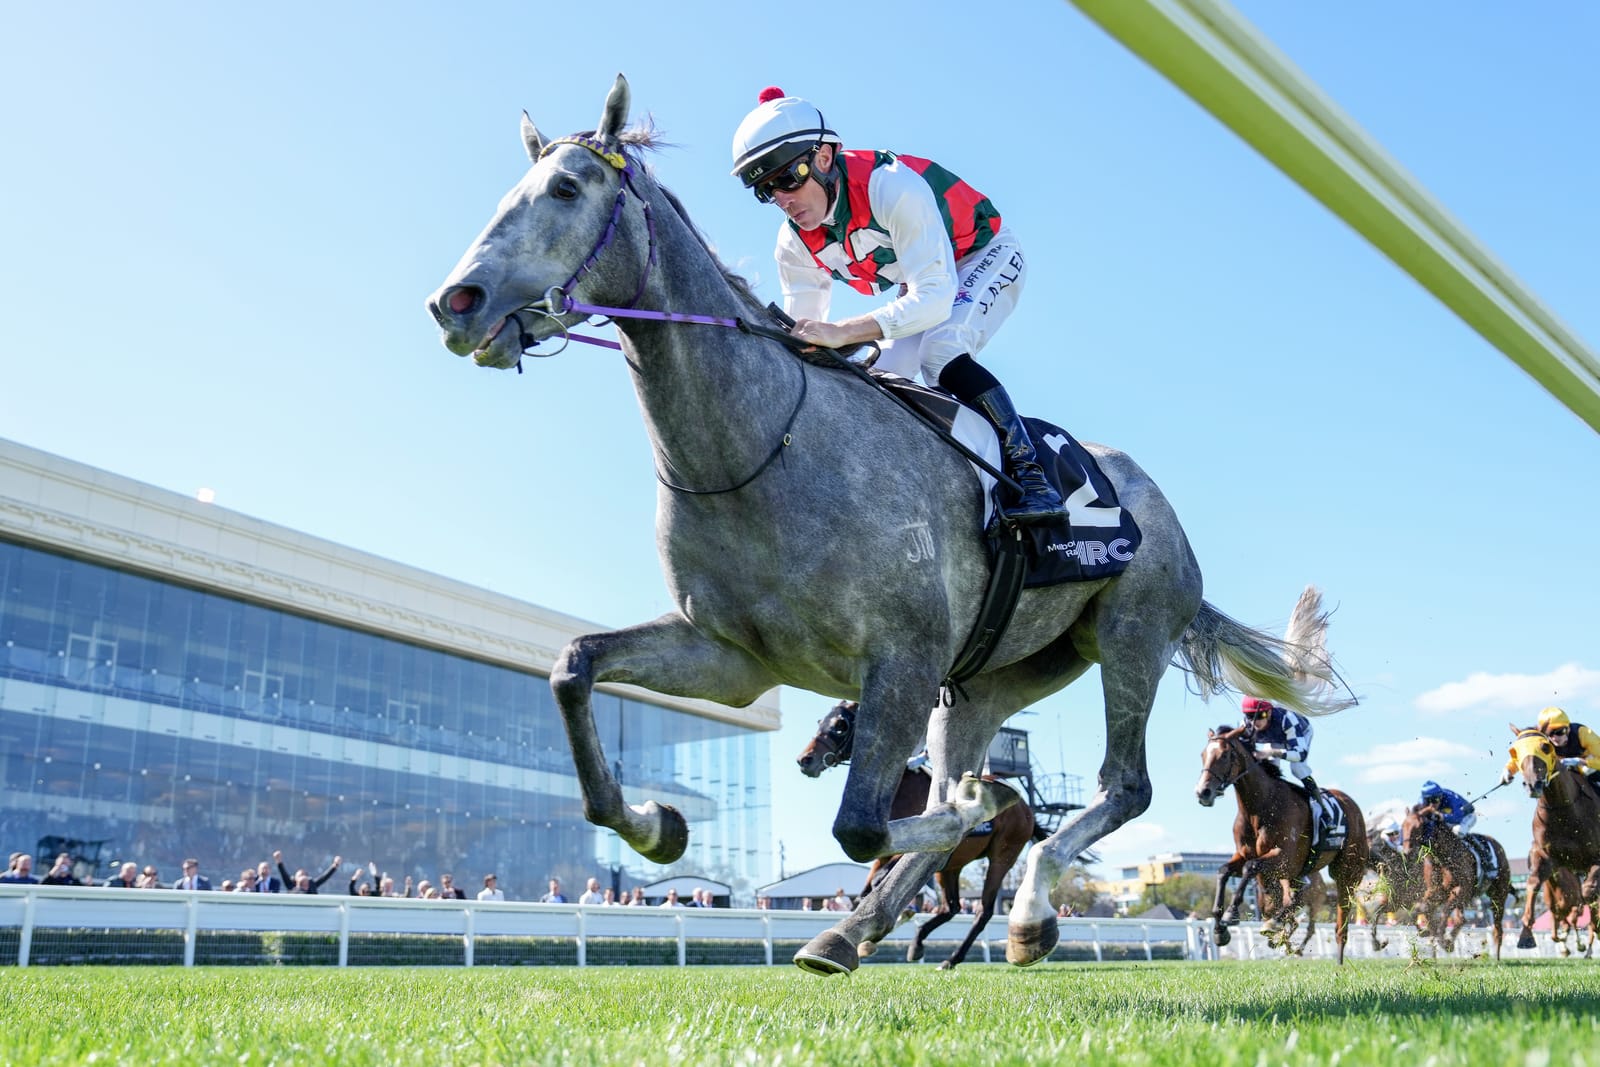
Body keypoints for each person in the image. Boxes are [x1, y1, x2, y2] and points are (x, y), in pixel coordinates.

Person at [731, 87, 1068, 527]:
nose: (782, 198)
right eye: (766, 190)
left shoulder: (890, 185)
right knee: (875, 382)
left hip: (983, 255)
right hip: (923, 282)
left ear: (824, 158)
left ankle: (1031, 474)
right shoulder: (792, 243)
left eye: (788, 178)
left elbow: (934, 299)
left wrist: (845, 333)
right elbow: (806, 334)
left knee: (941, 350)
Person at [1503, 706, 1600, 789]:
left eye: (1559, 732)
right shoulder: (1542, 741)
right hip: (1564, 771)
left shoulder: (1584, 734)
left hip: (1590, 767)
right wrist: (1509, 770)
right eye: (1549, 733)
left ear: (1568, 729)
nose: (1554, 738)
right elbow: (1528, 755)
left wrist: (1581, 761)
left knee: (1587, 769)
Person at [276, 850, 342, 895]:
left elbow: (324, 877)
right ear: (295, 878)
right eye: (300, 876)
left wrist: (335, 865)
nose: (303, 877)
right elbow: (283, 873)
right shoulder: (291, 884)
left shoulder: (312, 884)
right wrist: (278, 860)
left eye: (304, 875)